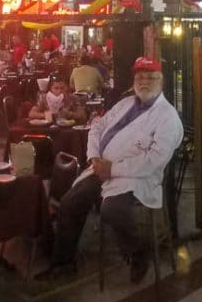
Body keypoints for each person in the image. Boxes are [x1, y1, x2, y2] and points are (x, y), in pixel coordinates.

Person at [36, 57, 183, 283]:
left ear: (160, 81)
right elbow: (97, 125)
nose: (144, 81)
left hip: (134, 176)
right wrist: (94, 157)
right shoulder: (125, 104)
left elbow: (155, 160)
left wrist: (113, 168)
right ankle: (64, 264)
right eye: (140, 77)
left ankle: (138, 253)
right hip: (101, 167)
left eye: (150, 77)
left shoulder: (167, 116)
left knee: (112, 210)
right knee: (69, 203)